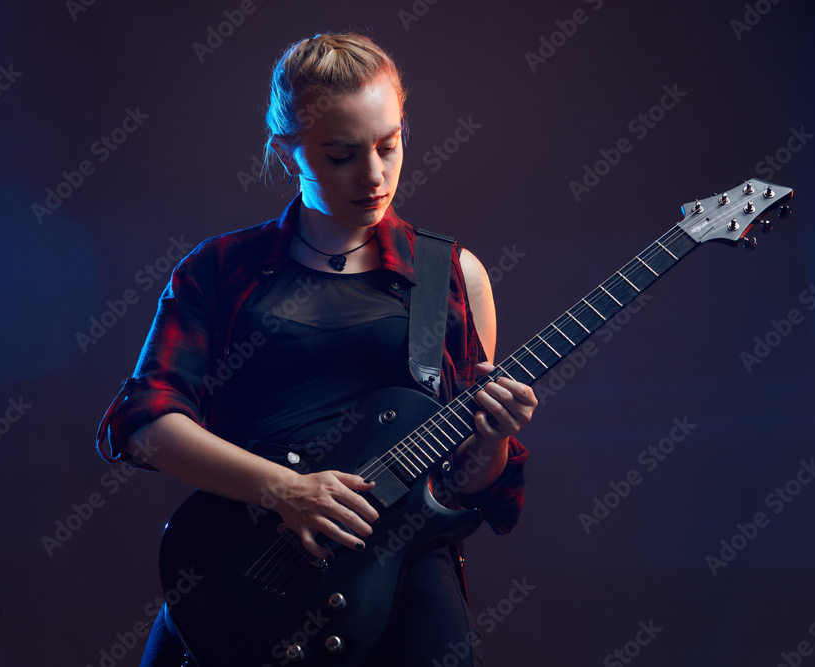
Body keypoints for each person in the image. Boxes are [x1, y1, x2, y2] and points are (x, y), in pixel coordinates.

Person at [95, 32, 537, 667]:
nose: (375, 174)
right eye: (341, 155)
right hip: (245, 577)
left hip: (400, 580)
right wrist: (284, 490)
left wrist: (493, 439)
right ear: (287, 151)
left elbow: (461, 485)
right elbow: (145, 425)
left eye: (390, 145)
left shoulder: (452, 275)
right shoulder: (221, 269)